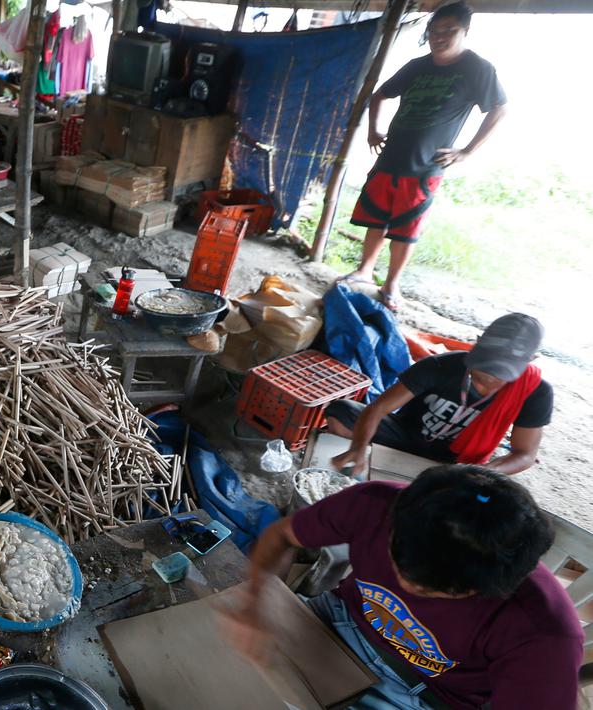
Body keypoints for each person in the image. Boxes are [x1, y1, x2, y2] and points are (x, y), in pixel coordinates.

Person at [228, 465, 583, 709]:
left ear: (497, 587)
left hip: (425, 692)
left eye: (433, 591)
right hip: (340, 621)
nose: (407, 586)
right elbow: (281, 536)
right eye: (398, 563)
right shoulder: (377, 503)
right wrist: (256, 601)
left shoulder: (544, 632)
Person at [339, 1, 507, 311]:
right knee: (376, 216)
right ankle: (364, 271)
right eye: (434, 30)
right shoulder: (417, 66)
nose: (439, 37)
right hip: (390, 158)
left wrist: (468, 151)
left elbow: (498, 108)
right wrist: (372, 132)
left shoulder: (477, 68)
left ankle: (391, 286)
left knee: (406, 227)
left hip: (426, 166)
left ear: (465, 31)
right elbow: (380, 95)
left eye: (449, 31)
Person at [328, 312, 550, 475]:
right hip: (407, 435)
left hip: (457, 460)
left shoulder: (535, 392)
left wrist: (484, 472)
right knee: (341, 412)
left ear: (530, 360)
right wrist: (358, 447)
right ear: (477, 343)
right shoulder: (440, 366)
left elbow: (525, 454)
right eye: (484, 366)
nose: (490, 378)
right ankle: (368, 458)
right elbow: (377, 409)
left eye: (501, 373)